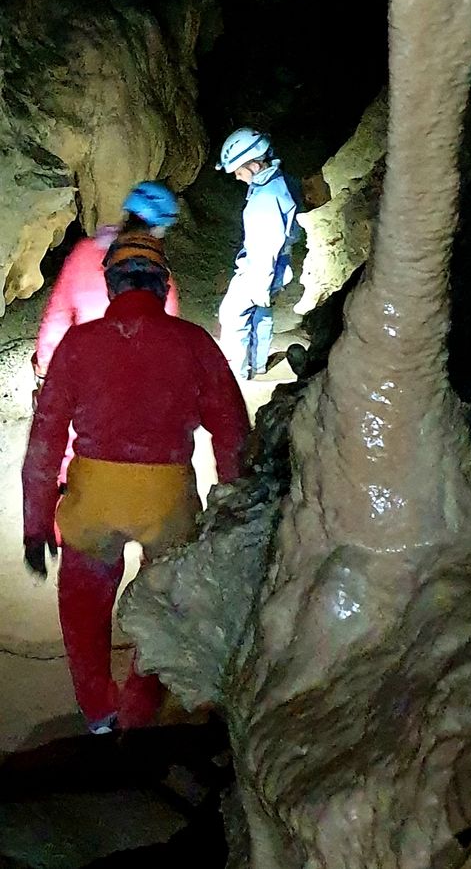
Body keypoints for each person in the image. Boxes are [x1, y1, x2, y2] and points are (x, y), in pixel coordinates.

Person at [21, 231, 249, 734]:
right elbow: (232, 430)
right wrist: (233, 504)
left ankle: (99, 714)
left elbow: (45, 442)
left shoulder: (80, 344)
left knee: (83, 606)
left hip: (92, 500)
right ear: (163, 284)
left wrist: (36, 523)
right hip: (167, 500)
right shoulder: (194, 343)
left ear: (111, 283)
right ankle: (141, 708)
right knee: (163, 605)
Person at [33, 181, 181, 384]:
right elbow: (166, 340)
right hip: (131, 383)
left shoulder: (85, 252)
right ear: (160, 229)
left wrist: (45, 366)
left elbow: (58, 315)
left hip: (85, 371)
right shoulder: (161, 276)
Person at [216, 128, 298, 380]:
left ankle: (237, 376)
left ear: (253, 164)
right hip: (279, 267)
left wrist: (259, 285)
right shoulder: (278, 183)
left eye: (239, 172)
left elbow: (266, 246)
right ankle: (258, 364)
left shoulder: (264, 201)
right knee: (261, 314)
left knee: (232, 315)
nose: (239, 178)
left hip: (260, 270)